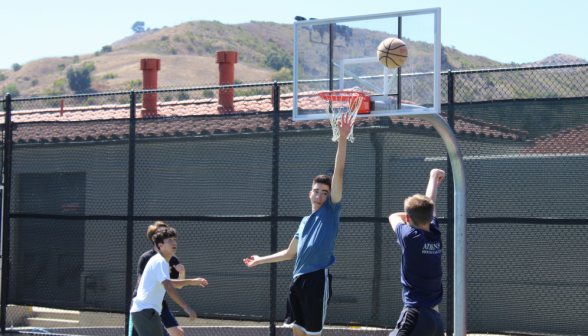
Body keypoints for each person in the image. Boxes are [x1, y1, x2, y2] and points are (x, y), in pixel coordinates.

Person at [243, 112, 355, 336]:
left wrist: (342, 138)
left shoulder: (331, 211)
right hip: (298, 280)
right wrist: (260, 260)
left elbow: (339, 173)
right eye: (316, 191)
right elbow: (288, 253)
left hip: (316, 280)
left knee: (312, 334)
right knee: (297, 332)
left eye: (325, 192)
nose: (319, 195)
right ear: (310, 193)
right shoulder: (305, 222)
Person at [388, 169, 446, 336]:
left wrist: (409, 215)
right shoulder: (434, 232)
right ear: (430, 218)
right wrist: (433, 176)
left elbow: (393, 216)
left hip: (416, 314)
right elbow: (430, 204)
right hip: (436, 320)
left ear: (407, 218)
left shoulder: (409, 237)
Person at [130, 227, 208, 336]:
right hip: (145, 312)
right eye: (169, 240)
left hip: (149, 312)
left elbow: (169, 283)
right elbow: (169, 287)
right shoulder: (160, 261)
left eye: (174, 239)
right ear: (160, 245)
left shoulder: (162, 262)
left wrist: (191, 281)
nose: (173, 242)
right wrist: (186, 307)